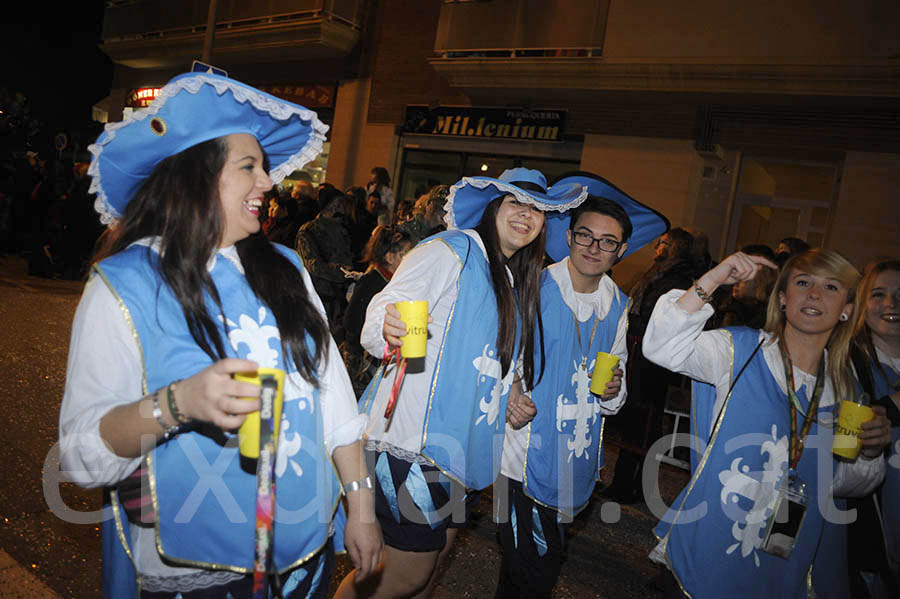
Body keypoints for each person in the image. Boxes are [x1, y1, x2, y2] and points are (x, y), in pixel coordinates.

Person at [57, 72, 382, 598]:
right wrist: (178, 403)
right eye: (248, 167)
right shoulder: (125, 285)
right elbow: (79, 456)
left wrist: (361, 507)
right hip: (196, 571)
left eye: (265, 166)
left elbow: (333, 397)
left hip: (304, 553)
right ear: (196, 176)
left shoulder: (284, 267)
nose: (269, 182)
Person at [334, 168, 587, 598]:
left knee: (424, 578)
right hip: (413, 445)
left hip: (462, 455)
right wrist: (389, 327)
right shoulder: (453, 250)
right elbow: (382, 314)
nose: (527, 215)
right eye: (516, 203)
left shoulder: (509, 277)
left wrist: (512, 393)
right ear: (493, 209)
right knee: (401, 575)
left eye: (537, 210)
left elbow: (488, 360)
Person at [644, 248, 891, 598]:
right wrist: (713, 278)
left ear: (848, 309)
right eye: (803, 282)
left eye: (831, 287)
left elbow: (839, 482)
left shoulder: (846, 391)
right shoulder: (738, 351)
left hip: (784, 558)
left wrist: (870, 452)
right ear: (783, 298)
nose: (815, 295)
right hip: (713, 538)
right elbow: (662, 347)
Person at [495, 170, 668, 598]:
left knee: (522, 573)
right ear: (569, 237)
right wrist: (512, 383)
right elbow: (498, 353)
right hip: (520, 456)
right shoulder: (533, 284)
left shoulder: (618, 305)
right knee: (537, 569)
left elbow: (616, 390)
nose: (594, 248)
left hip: (576, 458)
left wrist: (615, 391)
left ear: (621, 250)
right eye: (585, 236)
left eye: (607, 241)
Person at [604, 227, 696, 503]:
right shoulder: (660, 273)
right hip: (641, 354)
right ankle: (627, 483)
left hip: (652, 361)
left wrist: (635, 326)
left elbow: (661, 320)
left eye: (664, 243)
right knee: (639, 422)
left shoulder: (676, 278)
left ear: (676, 247)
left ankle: (631, 485)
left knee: (644, 423)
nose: (657, 247)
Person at [848, 259, 900, 597]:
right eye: (879, 294)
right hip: (872, 536)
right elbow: (843, 446)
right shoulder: (846, 362)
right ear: (862, 304)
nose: (892, 305)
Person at [341, 226, 414, 396]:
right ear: (389, 257)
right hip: (360, 357)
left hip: (378, 354)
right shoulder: (372, 282)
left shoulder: (395, 281)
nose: (410, 259)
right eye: (405, 254)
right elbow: (351, 319)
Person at [295, 184, 357, 325]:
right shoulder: (309, 231)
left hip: (338, 301)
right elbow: (313, 264)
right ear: (332, 206)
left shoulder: (343, 231)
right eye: (341, 204)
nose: (344, 209)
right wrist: (340, 271)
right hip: (319, 298)